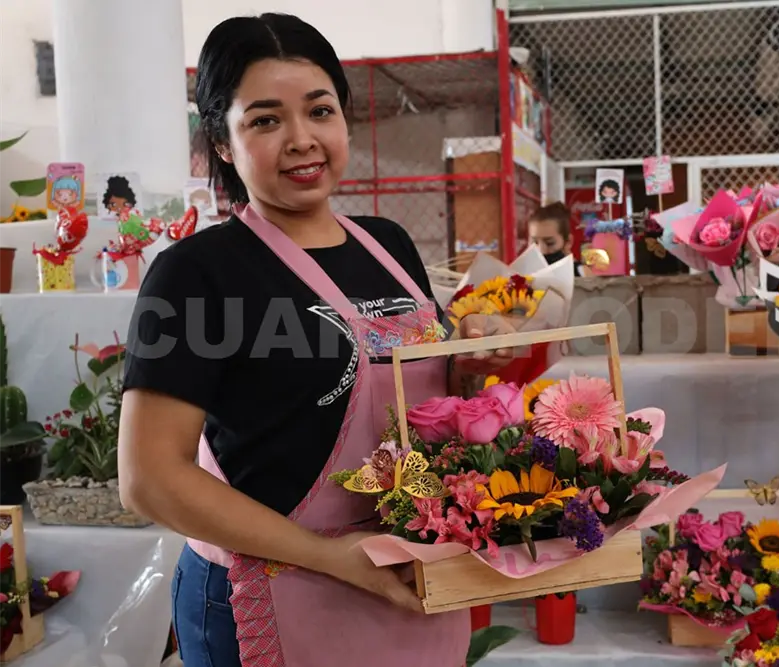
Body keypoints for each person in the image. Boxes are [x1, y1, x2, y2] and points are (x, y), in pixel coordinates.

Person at [117, 13, 519, 667]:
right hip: (280, 582)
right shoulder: (197, 273)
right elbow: (149, 478)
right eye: (266, 120)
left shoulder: (387, 244)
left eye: (319, 110)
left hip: (407, 576)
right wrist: (332, 557)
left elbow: (413, 404)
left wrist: (470, 357)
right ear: (222, 141)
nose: (302, 140)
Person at [528, 201, 590, 276]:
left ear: (568, 242)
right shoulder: (523, 274)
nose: (541, 251)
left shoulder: (584, 273)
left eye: (549, 243)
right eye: (534, 242)